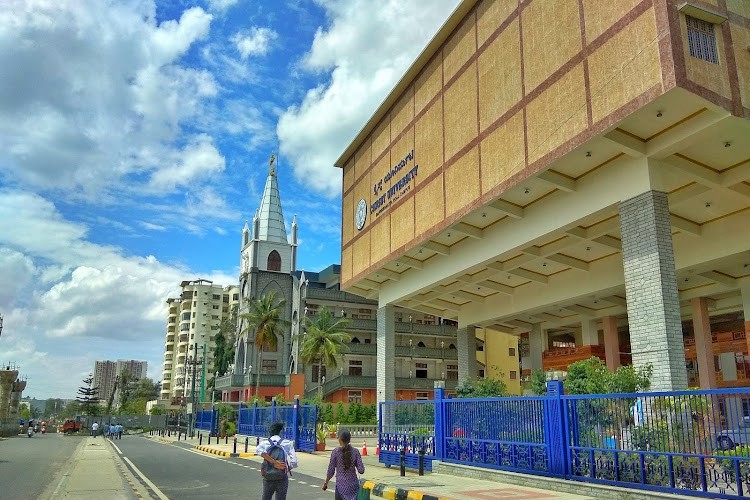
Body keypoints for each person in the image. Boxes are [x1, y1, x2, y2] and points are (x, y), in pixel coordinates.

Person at [256, 421, 297, 500]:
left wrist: (273, 462)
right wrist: (286, 468)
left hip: (268, 477)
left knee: (266, 497)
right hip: (281, 477)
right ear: (280, 431)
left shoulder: (264, 443)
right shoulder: (287, 443)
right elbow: (294, 462)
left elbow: (259, 451)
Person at [322, 429, 365, 500]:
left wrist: (326, 483)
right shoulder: (355, 452)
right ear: (349, 439)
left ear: (340, 439)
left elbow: (331, 471)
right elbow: (361, 470)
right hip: (353, 487)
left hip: (340, 487)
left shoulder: (335, 452)